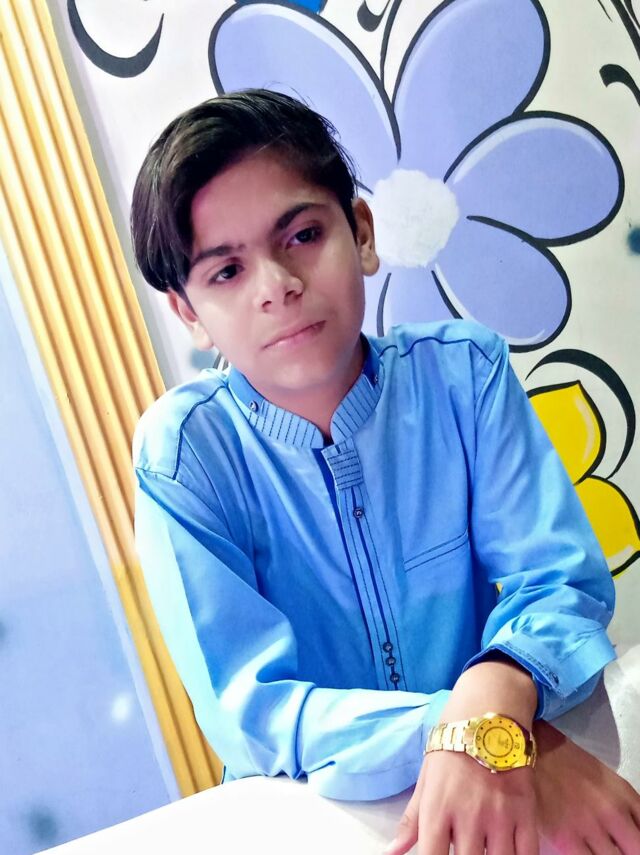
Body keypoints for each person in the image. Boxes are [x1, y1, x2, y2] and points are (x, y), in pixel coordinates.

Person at [130, 89, 640, 854]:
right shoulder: (184, 454)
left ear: (361, 232)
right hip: (324, 819)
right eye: (226, 271)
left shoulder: (464, 377)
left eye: (303, 234)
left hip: (511, 800)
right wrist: (484, 733)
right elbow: (255, 710)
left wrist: (501, 685)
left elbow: (560, 581)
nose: (276, 284)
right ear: (188, 313)